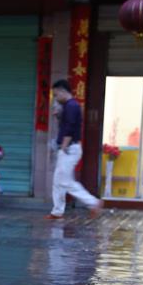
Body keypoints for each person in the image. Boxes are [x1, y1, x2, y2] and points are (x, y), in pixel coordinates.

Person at [46, 79, 102, 220]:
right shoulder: (68, 106)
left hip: (69, 149)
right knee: (58, 180)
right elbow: (66, 124)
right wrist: (59, 116)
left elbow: (70, 127)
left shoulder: (71, 105)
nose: (56, 98)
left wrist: (64, 144)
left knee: (64, 181)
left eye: (56, 94)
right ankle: (57, 211)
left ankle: (93, 202)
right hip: (67, 148)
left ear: (63, 91)